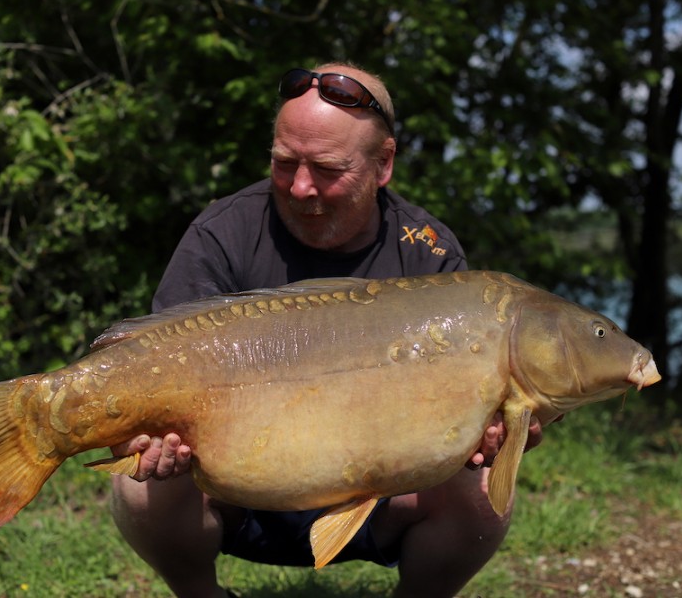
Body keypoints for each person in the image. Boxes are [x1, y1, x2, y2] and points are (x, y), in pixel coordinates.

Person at [109, 62, 545, 598]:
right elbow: (154, 361)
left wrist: (496, 435)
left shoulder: (428, 253)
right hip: (236, 490)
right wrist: (149, 434)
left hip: (383, 498)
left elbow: (476, 415)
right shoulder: (223, 233)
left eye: (327, 169)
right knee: (137, 486)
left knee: (482, 491)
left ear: (383, 164)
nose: (299, 186)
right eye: (283, 162)